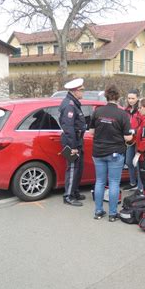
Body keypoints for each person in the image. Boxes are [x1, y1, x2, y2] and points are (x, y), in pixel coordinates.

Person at [89, 85, 133, 222]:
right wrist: (131, 136)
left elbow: (91, 132)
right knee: (114, 182)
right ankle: (113, 214)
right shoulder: (122, 114)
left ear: (106, 97)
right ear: (118, 97)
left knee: (100, 181)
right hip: (115, 153)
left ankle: (98, 211)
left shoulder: (97, 112)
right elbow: (127, 138)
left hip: (98, 152)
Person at [59, 78, 87, 206]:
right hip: (72, 141)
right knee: (72, 168)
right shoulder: (69, 105)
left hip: (77, 139)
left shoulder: (74, 103)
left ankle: (74, 191)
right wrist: (72, 146)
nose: (83, 92)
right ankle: (68, 196)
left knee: (78, 168)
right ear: (75, 91)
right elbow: (68, 127)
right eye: (81, 90)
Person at [123, 89, 143, 192]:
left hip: (138, 140)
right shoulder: (126, 110)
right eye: (129, 98)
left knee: (138, 163)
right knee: (128, 161)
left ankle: (140, 187)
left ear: (137, 98)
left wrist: (134, 131)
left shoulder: (140, 110)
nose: (130, 100)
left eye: (133, 98)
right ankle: (132, 183)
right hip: (129, 140)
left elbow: (144, 125)